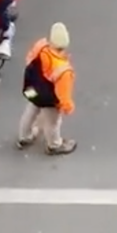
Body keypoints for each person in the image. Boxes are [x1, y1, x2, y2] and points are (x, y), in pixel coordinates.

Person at [18, 23, 77, 155]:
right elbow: (63, 95)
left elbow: (29, 59)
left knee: (31, 111)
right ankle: (54, 145)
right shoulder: (63, 69)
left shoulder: (41, 46)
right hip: (48, 98)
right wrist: (67, 107)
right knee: (52, 122)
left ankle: (25, 136)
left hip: (31, 89)